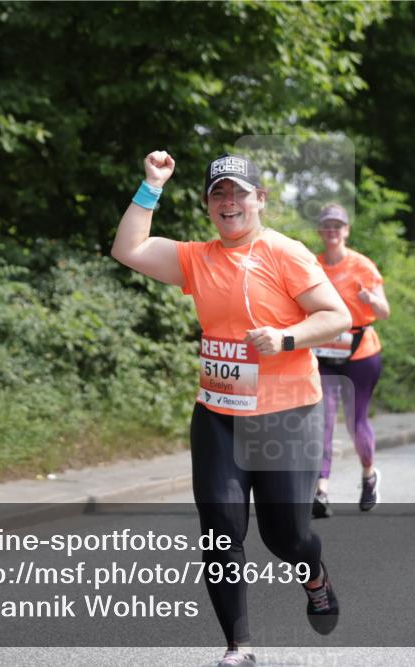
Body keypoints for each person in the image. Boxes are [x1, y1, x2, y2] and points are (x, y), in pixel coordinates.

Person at [111, 151, 351, 667]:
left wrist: (287, 338)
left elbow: (336, 315)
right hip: (219, 413)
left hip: (286, 415)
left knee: (286, 536)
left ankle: (314, 574)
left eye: (239, 193)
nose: (229, 202)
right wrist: (152, 185)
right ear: (207, 205)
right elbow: (128, 248)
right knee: (220, 526)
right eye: (218, 193)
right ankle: (238, 647)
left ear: (259, 200)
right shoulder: (198, 258)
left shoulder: (285, 253)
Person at [310, 203, 390, 518]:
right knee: (323, 420)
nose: (332, 231)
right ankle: (322, 489)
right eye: (327, 226)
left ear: (346, 231)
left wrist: (370, 299)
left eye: (337, 226)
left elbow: (385, 312)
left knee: (356, 423)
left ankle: (369, 476)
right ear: (320, 231)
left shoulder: (362, 266)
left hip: (361, 351)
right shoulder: (312, 265)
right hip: (324, 352)